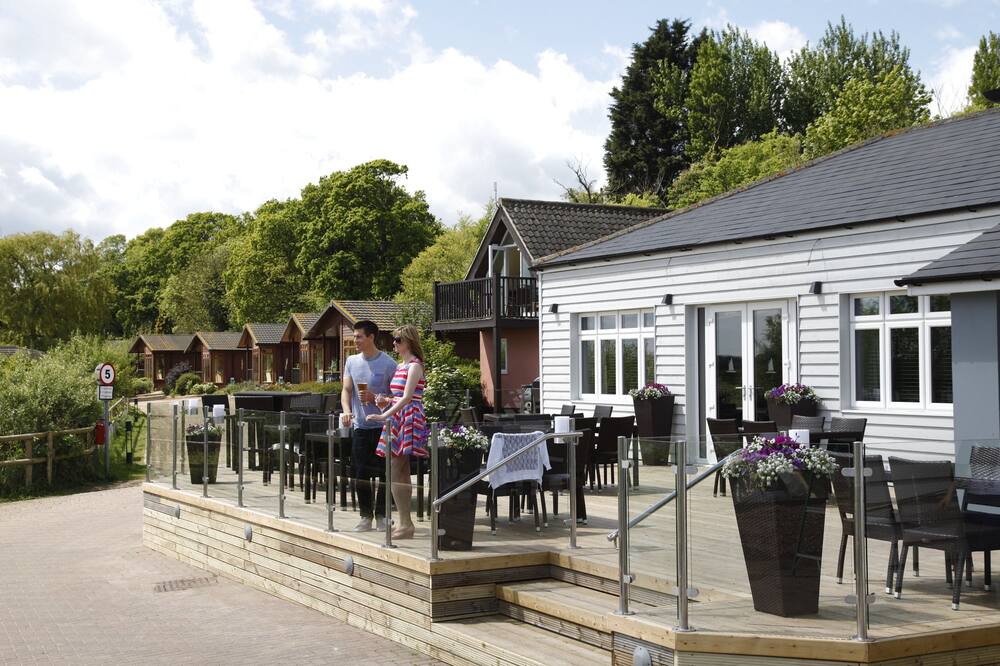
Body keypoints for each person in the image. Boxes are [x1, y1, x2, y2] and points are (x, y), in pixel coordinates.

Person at [366, 324, 428, 540]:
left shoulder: (415, 366)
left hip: (408, 418)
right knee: (400, 471)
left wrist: (383, 415)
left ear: (409, 341)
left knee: (395, 469)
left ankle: (405, 523)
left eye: (398, 339)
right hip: (398, 417)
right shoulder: (402, 366)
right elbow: (399, 397)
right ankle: (405, 523)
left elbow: (408, 397)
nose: (394, 343)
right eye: (394, 339)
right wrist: (385, 402)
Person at [341, 320, 398, 532]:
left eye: (359, 337)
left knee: (385, 473)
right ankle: (365, 516)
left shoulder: (389, 363)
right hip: (361, 426)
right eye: (354, 336)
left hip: (384, 427)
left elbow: (397, 398)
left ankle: (382, 516)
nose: (355, 340)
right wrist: (347, 410)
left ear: (371, 337)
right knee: (360, 473)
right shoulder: (351, 361)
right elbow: (346, 390)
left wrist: (375, 398)